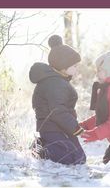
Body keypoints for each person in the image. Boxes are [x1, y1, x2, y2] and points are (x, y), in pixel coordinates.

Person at [29, 34, 86, 165]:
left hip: (61, 127)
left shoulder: (59, 80)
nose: (77, 68)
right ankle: (41, 149)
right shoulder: (55, 83)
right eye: (74, 66)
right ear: (63, 66)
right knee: (73, 159)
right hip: (51, 128)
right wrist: (74, 127)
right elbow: (57, 110)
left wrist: (73, 126)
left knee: (80, 158)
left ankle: (49, 146)